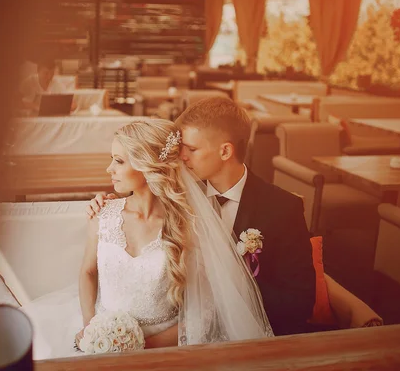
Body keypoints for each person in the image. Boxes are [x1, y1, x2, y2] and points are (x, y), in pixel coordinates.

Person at [21, 118, 273, 360]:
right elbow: (87, 272)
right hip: (100, 335)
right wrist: (91, 329)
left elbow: (203, 313)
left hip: (164, 346)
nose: (109, 169)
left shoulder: (187, 226)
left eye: (119, 161)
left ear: (147, 165)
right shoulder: (102, 214)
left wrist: (139, 346)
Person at [87, 97, 316, 336]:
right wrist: (106, 202)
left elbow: (300, 300)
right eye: (181, 147)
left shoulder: (282, 208)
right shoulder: (177, 197)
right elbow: (136, 206)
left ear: (225, 151)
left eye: (192, 149)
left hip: (251, 334)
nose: (181, 156)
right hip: (181, 333)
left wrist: (232, 294)